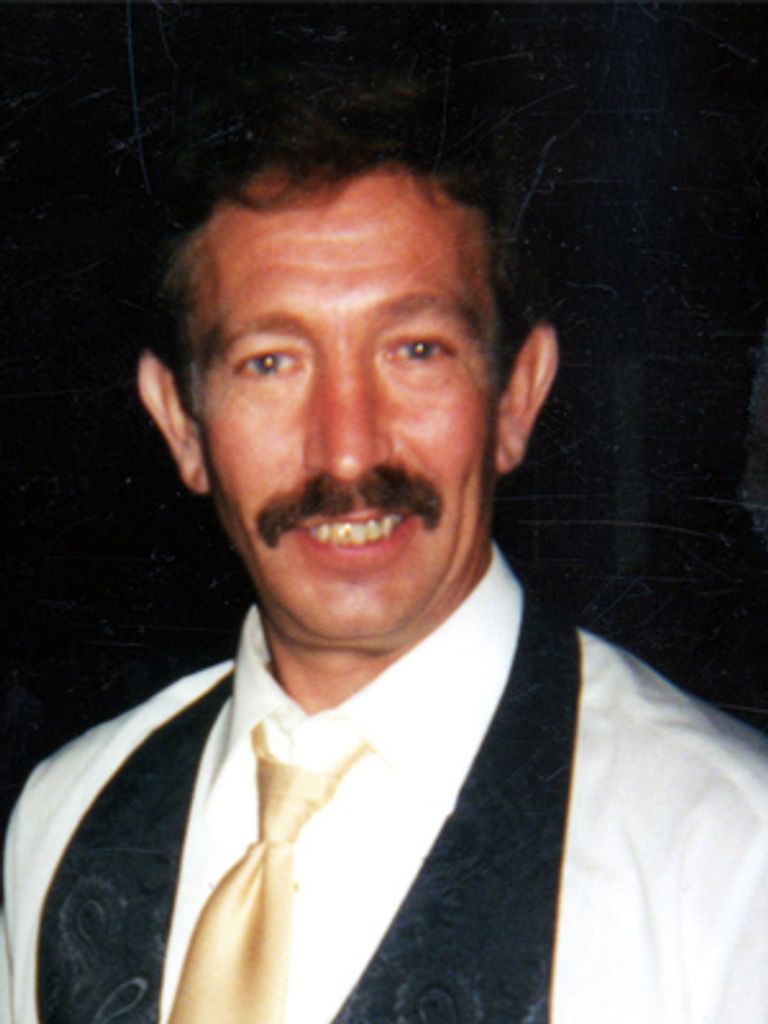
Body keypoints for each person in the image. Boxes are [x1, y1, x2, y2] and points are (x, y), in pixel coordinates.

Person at [4, 68, 768, 1024]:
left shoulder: (726, 864)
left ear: (517, 396)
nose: (348, 447)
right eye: (271, 363)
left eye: (415, 350)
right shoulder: (66, 818)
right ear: (181, 424)